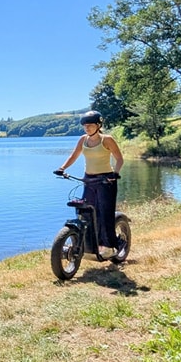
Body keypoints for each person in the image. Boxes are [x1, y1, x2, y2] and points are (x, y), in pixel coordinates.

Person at [55, 111, 124, 258]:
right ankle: (88, 243)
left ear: (98, 125)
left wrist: (115, 174)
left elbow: (119, 159)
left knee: (105, 213)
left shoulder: (107, 139)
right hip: (89, 179)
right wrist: (62, 168)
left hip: (106, 180)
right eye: (85, 126)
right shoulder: (83, 139)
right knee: (86, 211)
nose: (87, 128)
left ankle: (110, 245)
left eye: (90, 125)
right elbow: (74, 155)